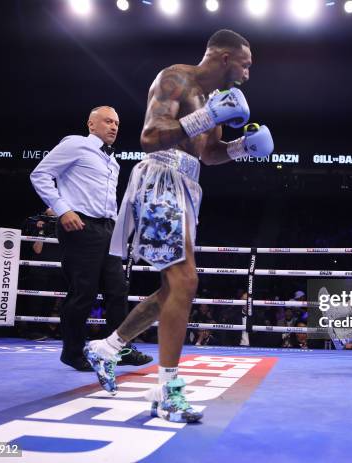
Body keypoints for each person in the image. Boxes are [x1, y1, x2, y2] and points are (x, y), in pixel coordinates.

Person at [84, 29, 274, 423]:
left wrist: (242, 148)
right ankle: (167, 390)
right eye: (245, 64)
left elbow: (208, 155)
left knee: (173, 287)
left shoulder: (215, 101)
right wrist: (206, 116)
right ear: (224, 57)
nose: (248, 74)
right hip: (160, 178)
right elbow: (150, 136)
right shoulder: (176, 78)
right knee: (185, 282)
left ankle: (106, 347)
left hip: (189, 186)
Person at [30, 106, 152, 371]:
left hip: (108, 229)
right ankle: (72, 352)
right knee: (83, 292)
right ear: (91, 124)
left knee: (118, 289)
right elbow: (40, 174)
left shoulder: (113, 161)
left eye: (117, 123)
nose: (114, 127)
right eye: (108, 121)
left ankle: (120, 347)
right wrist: (63, 209)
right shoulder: (75, 144)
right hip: (79, 226)